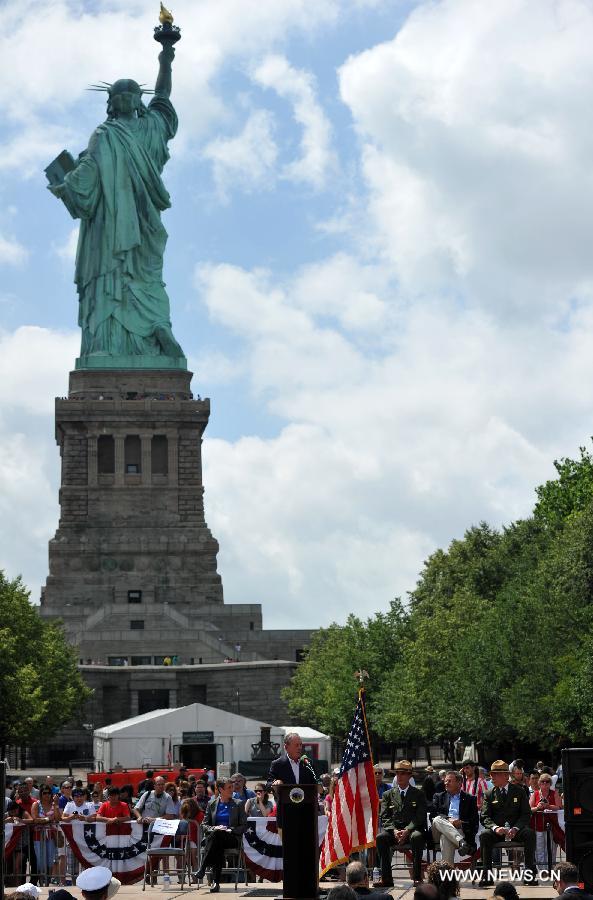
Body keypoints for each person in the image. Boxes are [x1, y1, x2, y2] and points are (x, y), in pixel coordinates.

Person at [47, 43, 184, 364]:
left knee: (112, 277)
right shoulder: (151, 127)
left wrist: (62, 185)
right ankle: (155, 328)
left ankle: (107, 345)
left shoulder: (104, 134)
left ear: (112, 105)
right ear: (138, 102)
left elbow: (82, 182)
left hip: (111, 229)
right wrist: (166, 56)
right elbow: (163, 96)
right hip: (141, 225)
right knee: (147, 279)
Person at [479, 760, 537, 886]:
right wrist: (495, 828)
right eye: (491, 774)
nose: (492, 777)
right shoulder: (489, 794)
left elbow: (526, 814)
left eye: (495, 774)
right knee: (484, 835)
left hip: (515, 830)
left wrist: (516, 828)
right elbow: (484, 817)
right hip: (498, 831)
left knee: (530, 834)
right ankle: (486, 875)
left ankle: (529, 873)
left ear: (506, 776)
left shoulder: (519, 791)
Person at [375, 760, 427, 887]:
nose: (399, 776)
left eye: (403, 773)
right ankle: (386, 878)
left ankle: (417, 877)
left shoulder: (418, 794)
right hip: (395, 831)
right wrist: (394, 830)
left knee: (417, 837)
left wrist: (408, 830)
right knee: (381, 838)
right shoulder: (388, 794)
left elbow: (420, 816)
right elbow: (385, 816)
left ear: (410, 776)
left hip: (412, 830)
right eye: (397, 773)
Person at [194, 778, 248, 893]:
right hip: (215, 838)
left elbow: (244, 826)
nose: (232, 789)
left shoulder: (238, 804)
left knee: (217, 837)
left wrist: (229, 829)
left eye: (232, 787)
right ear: (220, 789)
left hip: (232, 837)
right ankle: (216, 883)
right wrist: (214, 828)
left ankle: (203, 867)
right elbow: (204, 825)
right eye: (229, 787)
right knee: (217, 842)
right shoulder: (212, 803)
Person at [430, 770, 478, 863]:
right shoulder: (439, 796)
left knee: (445, 838)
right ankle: (461, 843)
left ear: (459, 783)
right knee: (437, 819)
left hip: (459, 831)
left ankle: (448, 874)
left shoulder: (470, 799)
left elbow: (474, 822)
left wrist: (460, 824)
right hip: (438, 831)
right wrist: (449, 820)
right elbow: (432, 815)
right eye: (445, 781)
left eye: (449, 781)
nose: (446, 783)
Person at [529, 772, 564, 869]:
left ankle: (550, 869)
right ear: (539, 783)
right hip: (538, 826)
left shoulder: (554, 793)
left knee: (551, 849)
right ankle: (542, 871)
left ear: (550, 783)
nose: (545, 784)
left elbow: (559, 807)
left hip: (552, 826)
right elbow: (529, 809)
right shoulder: (535, 794)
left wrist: (548, 806)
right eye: (543, 782)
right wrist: (537, 807)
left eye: (547, 782)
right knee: (539, 849)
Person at [31, 785, 61, 883]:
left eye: (49, 793)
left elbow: (57, 818)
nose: (47, 795)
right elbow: (35, 819)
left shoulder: (53, 804)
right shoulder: (36, 804)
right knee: (40, 861)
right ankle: (41, 880)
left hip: (51, 836)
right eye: (45, 793)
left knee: (50, 860)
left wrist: (56, 804)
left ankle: (47, 881)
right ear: (41, 794)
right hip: (38, 836)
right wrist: (48, 819)